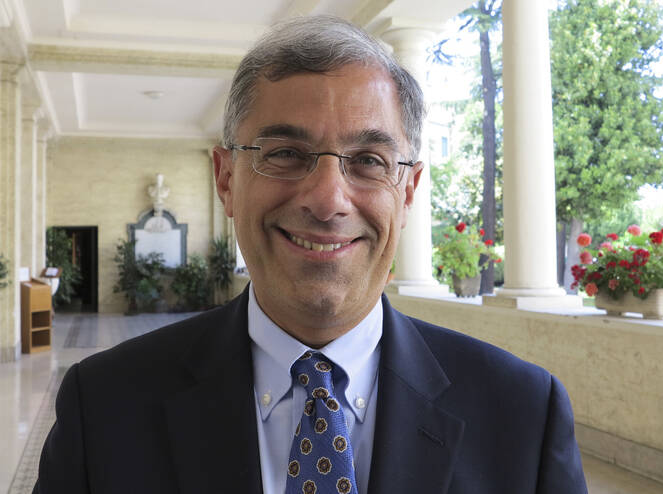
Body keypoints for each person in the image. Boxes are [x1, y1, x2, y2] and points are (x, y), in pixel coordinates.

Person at [34, 15, 587, 494]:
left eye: (368, 159)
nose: (327, 200)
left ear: (409, 191)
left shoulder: (522, 414)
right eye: (285, 154)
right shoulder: (104, 406)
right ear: (226, 179)